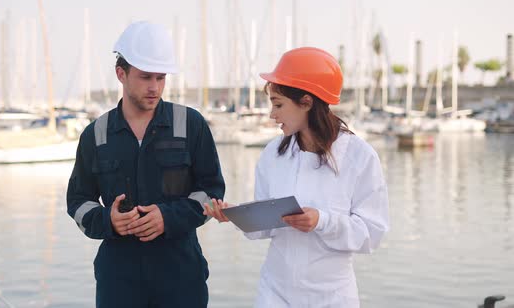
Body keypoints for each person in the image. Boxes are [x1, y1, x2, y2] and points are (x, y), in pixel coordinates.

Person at [204, 47, 389, 307]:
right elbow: (266, 227)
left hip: (331, 297)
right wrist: (238, 216)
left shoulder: (360, 157)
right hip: (274, 293)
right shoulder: (272, 154)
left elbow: (372, 234)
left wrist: (322, 221)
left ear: (306, 102)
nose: (272, 114)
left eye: (278, 104)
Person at [67, 21, 225, 308]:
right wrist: (108, 221)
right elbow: (78, 201)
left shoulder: (191, 125)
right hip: (119, 280)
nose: (154, 88)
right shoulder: (96, 134)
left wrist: (169, 217)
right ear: (121, 74)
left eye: (161, 78)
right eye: (145, 77)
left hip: (181, 276)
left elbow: (211, 191)